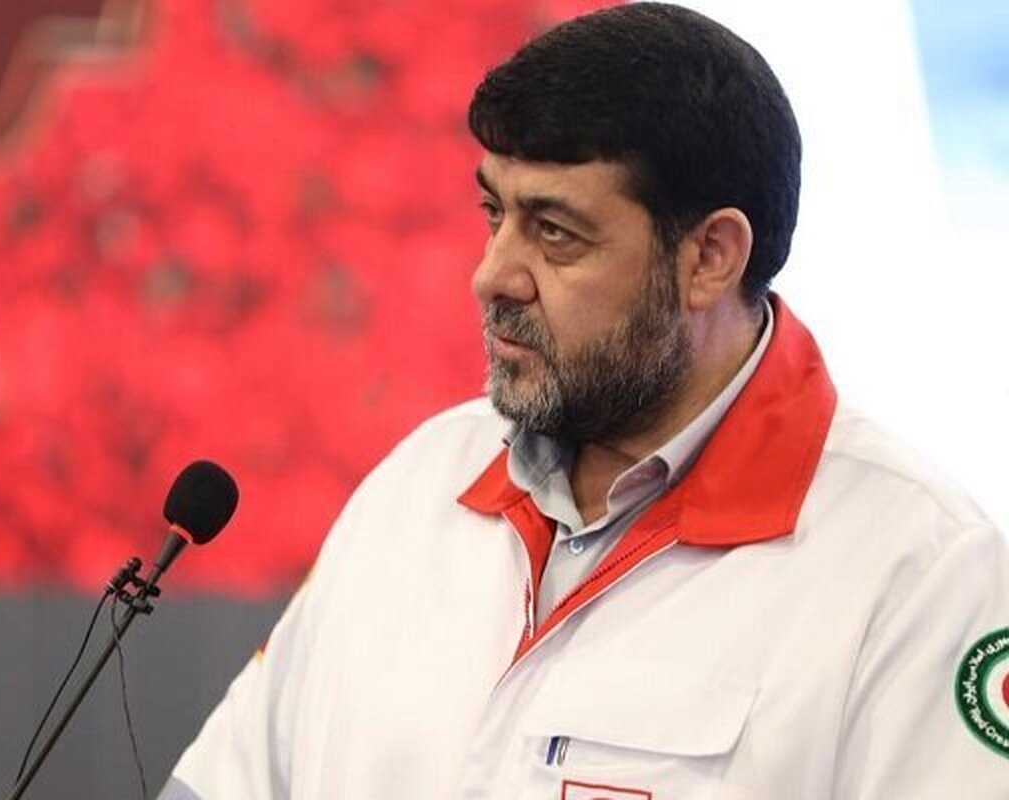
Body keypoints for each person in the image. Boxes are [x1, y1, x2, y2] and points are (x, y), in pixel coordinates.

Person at [162, 4, 1009, 797]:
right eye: (494, 213)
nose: (493, 274)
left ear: (710, 257)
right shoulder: (417, 484)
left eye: (555, 232)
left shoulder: (921, 570)